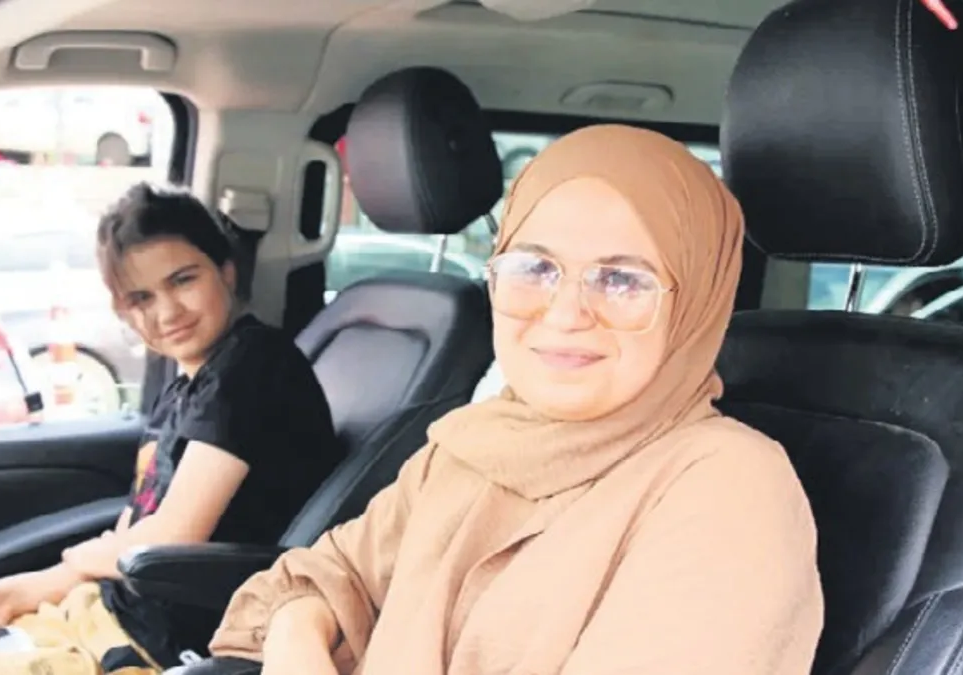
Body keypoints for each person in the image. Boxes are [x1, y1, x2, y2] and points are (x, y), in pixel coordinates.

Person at [204, 125, 824, 674]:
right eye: (535, 268)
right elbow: (327, 572)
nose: (565, 313)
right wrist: (298, 641)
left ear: (695, 304)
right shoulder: (476, 444)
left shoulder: (727, 487)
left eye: (621, 279)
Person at [0, 183, 344, 674]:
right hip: (104, 613)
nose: (167, 312)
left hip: (162, 644)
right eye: (141, 298)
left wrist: (78, 559)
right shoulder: (184, 388)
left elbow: (168, 539)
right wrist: (11, 594)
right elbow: (133, 529)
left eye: (183, 280)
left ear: (226, 271)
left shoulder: (252, 367)